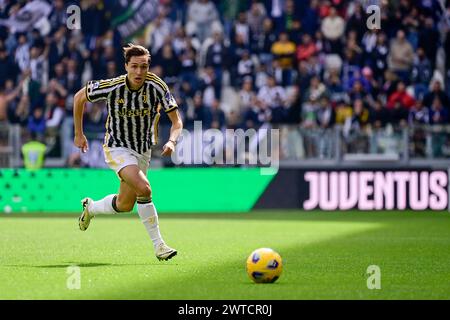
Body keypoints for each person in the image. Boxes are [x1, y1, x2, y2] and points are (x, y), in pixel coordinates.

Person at [72, 44, 183, 261]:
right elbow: (79, 98)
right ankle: (159, 246)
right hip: (117, 147)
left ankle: (91, 207)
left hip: (143, 151)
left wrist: (172, 141)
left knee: (124, 204)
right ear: (126, 67)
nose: (139, 72)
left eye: (144, 66)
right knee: (145, 189)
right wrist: (79, 133)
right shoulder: (112, 86)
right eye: (134, 66)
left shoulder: (157, 86)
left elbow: (176, 122)